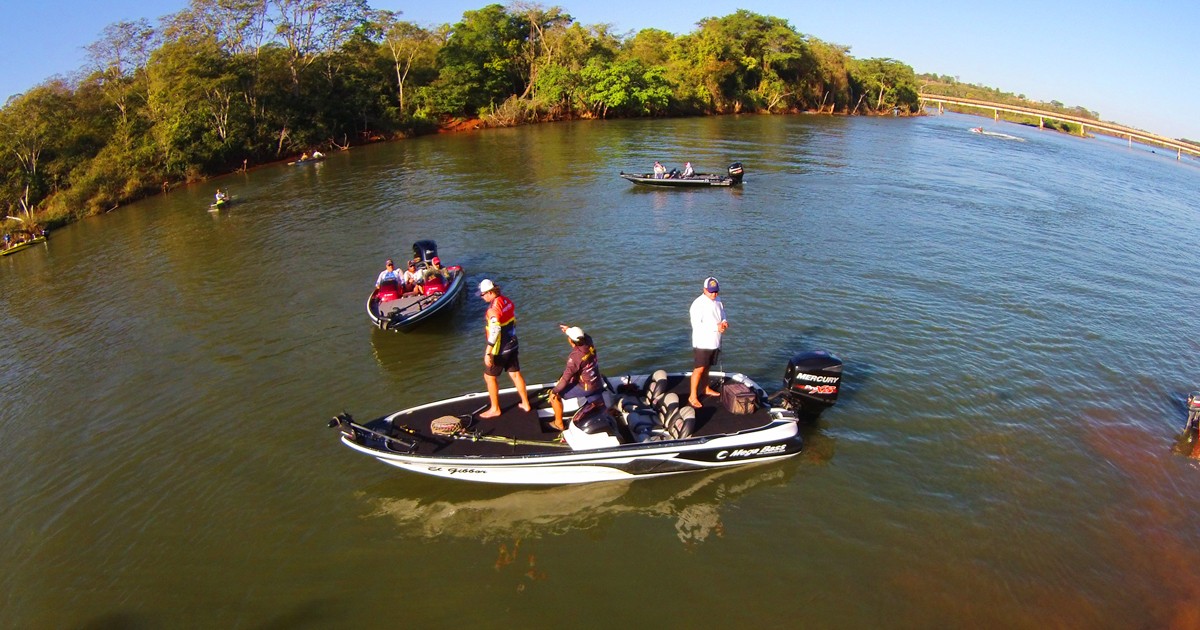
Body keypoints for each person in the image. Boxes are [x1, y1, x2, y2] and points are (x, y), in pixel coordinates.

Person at [479, 279, 532, 418]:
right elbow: (513, 319)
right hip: (513, 343)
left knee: (489, 377)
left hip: (500, 350)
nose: (482, 296)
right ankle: (526, 403)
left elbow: (495, 329)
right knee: (515, 374)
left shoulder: (493, 309)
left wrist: (488, 352)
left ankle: (495, 408)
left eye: (483, 294)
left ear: (490, 293)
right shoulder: (506, 301)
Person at [547, 325, 604, 431]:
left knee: (556, 396)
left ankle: (558, 423)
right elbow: (584, 336)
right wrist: (569, 330)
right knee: (599, 404)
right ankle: (602, 410)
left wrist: (554, 391)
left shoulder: (575, 357)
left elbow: (565, 379)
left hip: (586, 387)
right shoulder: (589, 342)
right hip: (597, 381)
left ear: (570, 341)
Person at [688, 276, 728, 408]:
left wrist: (724, 322)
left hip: (714, 341)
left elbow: (722, 314)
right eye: (711, 291)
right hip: (702, 342)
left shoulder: (718, 300)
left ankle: (706, 388)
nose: (714, 294)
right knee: (699, 369)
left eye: (716, 291)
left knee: (707, 367)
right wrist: (715, 327)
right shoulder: (698, 304)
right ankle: (692, 396)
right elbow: (697, 325)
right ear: (704, 289)